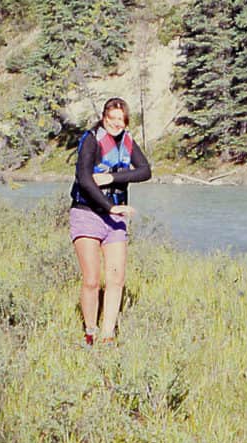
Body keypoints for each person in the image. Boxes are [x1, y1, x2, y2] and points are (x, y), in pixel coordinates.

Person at [69, 96, 151, 346]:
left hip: (115, 219)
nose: (116, 124)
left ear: (126, 122)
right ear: (104, 118)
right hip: (87, 213)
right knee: (92, 279)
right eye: (111, 119)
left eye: (121, 120)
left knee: (116, 278)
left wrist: (113, 178)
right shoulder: (91, 141)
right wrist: (110, 206)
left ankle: (108, 334)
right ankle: (90, 332)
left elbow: (145, 171)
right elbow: (85, 179)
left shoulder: (127, 141)